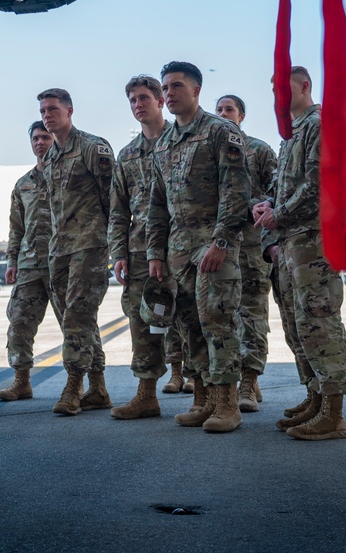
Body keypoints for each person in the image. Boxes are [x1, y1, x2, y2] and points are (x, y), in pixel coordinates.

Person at [146, 62, 251, 433]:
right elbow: (156, 206)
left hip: (212, 248)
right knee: (188, 326)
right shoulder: (163, 143)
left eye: (176, 86)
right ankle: (203, 399)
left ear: (196, 90)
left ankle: (227, 405)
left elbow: (236, 192)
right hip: (178, 252)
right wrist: (155, 254)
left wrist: (221, 242)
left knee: (217, 323)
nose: (169, 93)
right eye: (165, 88)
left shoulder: (221, 132)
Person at [254, 66, 346, 441]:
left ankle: (334, 413)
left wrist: (278, 214)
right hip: (293, 242)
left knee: (320, 321)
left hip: (315, 240)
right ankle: (316, 397)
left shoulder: (320, 123)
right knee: (300, 325)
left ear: (304, 86)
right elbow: (285, 185)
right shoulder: (292, 133)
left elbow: (318, 183)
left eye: (283, 89)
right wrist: (267, 205)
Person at [39, 88, 114, 415]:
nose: (47, 115)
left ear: (69, 110)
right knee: (78, 319)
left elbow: (113, 199)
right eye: (43, 110)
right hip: (60, 250)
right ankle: (98, 389)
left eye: (53, 108)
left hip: (90, 245)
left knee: (77, 317)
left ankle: (73, 385)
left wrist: (115, 245)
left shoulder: (92, 147)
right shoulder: (50, 157)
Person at [108, 75, 171, 420]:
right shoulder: (127, 154)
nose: (138, 105)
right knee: (141, 323)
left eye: (144, 98)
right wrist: (118, 253)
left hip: (179, 247)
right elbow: (118, 210)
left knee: (191, 321)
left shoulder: (180, 141)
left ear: (160, 100)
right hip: (138, 251)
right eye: (132, 99)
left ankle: (208, 395)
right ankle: (146, 394)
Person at [214, 94, 277, 413]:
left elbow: (278, 191)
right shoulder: (207, 150)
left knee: (252, 313)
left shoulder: (260, 150)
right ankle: (226, 380)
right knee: (221, 314)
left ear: (242, 115)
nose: (224, 114)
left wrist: (252, 204)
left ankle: (250, 380)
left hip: (251, 245)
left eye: (229, 110)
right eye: (219, 110)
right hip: (218, 246)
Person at [0, 121, 62, 401]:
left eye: (45, 137)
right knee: (19, 323)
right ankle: (21, 381)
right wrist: (12, 261)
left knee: (76, 325)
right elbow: (16, 228)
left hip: (63, 263)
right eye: (35, 138)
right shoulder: (23, 184)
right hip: (29, 264)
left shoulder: (67, 176)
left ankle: (85, 383)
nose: (40, 142)